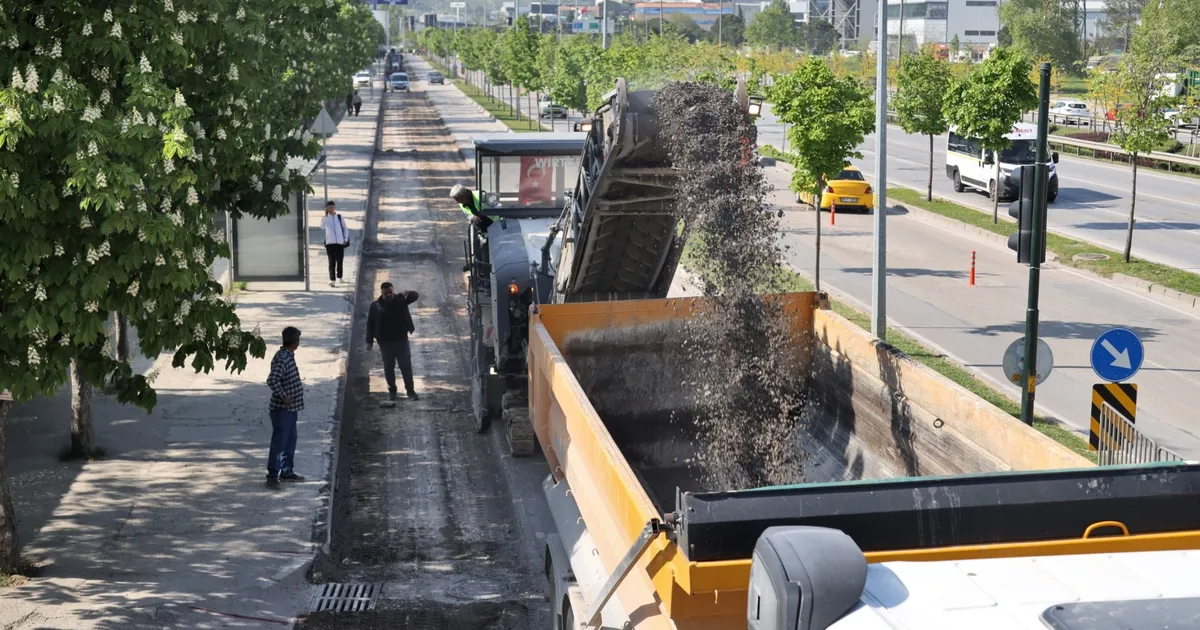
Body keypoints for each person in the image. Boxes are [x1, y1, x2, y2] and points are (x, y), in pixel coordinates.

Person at [265, 326, 305, 490]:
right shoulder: (283, 358)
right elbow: (272, 380)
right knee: (279, 443)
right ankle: (272, 476)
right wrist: (284, 396)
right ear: (295, 342)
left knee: (290, 440)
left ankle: (287, 471)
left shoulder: (287, 355)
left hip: (290, 409)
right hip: (282, 410)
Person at [366, 282, 420, 401]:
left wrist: (408, 293)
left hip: (401, 340)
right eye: (386, 293)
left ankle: (410, 391)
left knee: (406, 366)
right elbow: (370, 324)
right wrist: (369, 341)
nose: (389, 295)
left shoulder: (400, 299)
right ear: (382, 293)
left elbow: (416, 296)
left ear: (393, 291)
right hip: (385, 343)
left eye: (390, 292)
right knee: (389, 368)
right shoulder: (375, 306)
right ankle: (392, 391)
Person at [321, 201, 350, 287]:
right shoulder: (325, 218)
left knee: (340, 260)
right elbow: (322, 227)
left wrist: (345, 238)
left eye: (332, 207)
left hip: (339, 243)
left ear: (335, 208)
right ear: (327, 208)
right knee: (331, 261)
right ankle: (332, 280)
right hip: (330, 243)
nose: (331, 209)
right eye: (329, 207)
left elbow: (345, 228)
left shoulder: (340, 217)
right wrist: (325, 217)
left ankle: (340, 277)